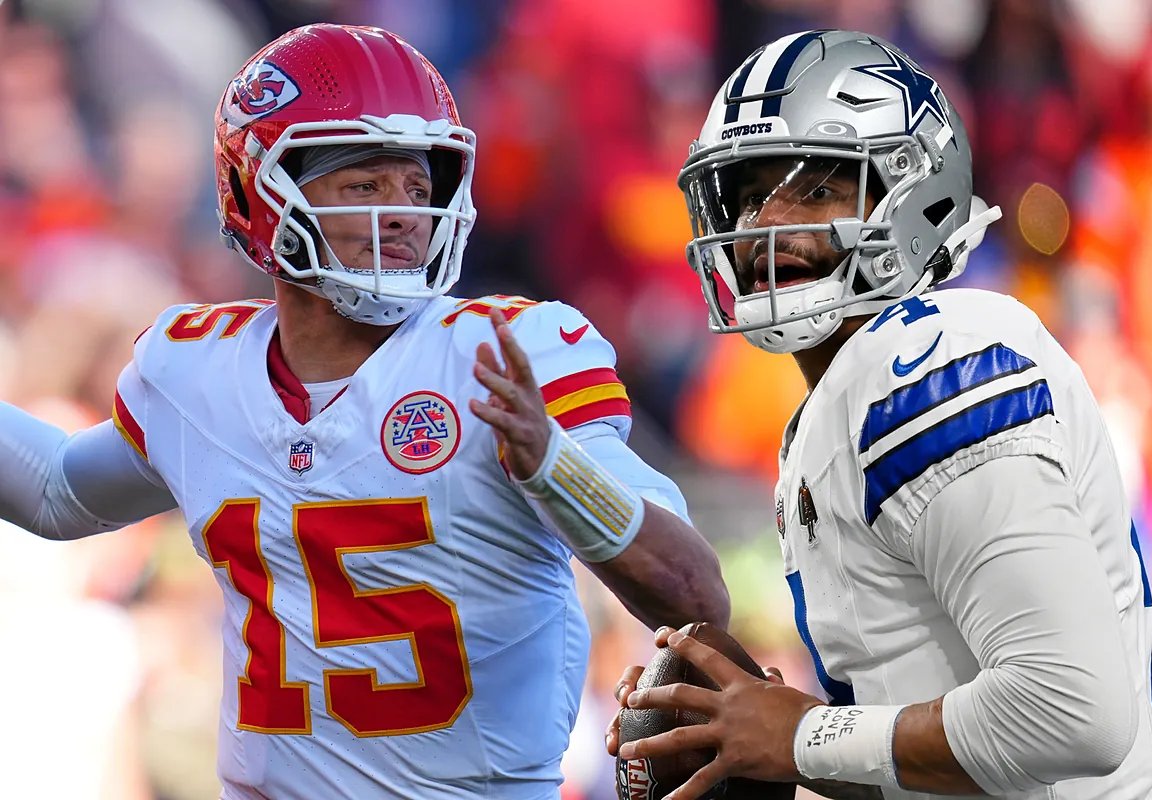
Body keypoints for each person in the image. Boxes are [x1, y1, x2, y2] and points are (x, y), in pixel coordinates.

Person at [0, 24, 730, 800]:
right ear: (259, 193)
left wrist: (555, 467)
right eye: (364, 185)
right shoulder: (195, 370)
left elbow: (694, 596)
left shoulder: (507, 356)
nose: (407, 215)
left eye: (419, 187)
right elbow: (56, 491)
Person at [609, 29, 1152, 799]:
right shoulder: (838, 402)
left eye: (815, 188)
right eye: (747, 193)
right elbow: (951, 759)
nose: (766, 222)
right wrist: (734, 733)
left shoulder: (933, 367)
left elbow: (1074, 713)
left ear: (916, 194)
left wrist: (802, 735)